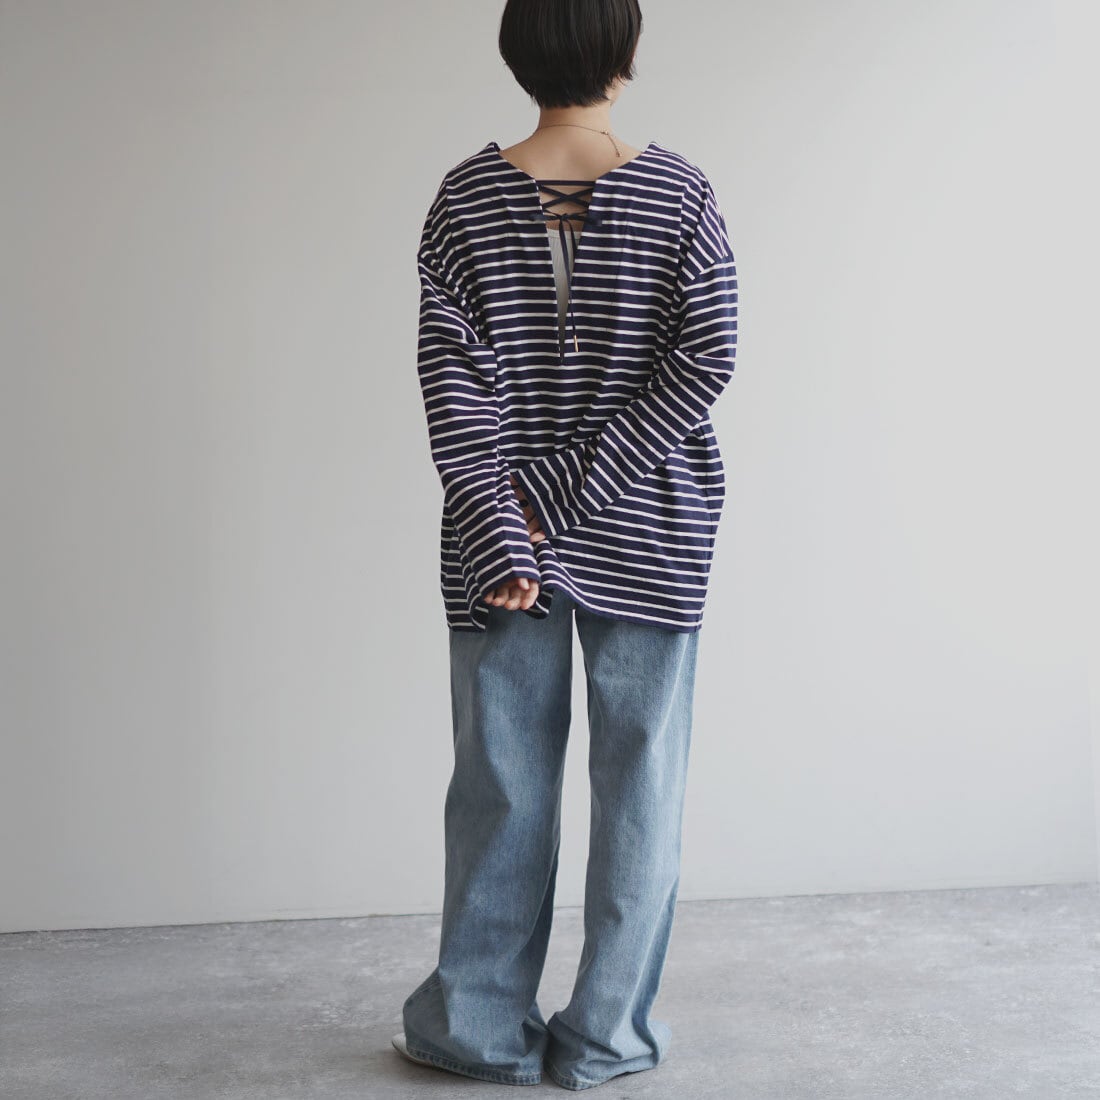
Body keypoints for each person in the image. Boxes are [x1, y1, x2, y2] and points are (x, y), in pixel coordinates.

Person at [393, 0, 738, 1089]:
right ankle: (606, 1038)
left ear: (518, 55)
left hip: (497, 543)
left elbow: (453, 381)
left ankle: (477, 1030)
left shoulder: (462, 200)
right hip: (654, 526)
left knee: (500, 788)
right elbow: (706, 359)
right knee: (641, 791)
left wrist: (513, 519)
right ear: (624, 55)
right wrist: (562, 501)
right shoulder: (681, 194)